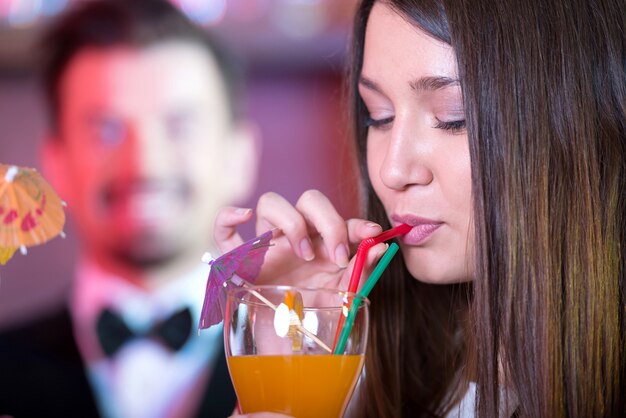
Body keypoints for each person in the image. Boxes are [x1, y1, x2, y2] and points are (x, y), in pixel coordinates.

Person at [214, 0, 626, 417]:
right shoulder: (367, 388)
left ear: (578, 119)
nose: (392, 171)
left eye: (453, 116)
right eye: (380, 116)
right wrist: (288, 368)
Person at [0, 0, 258, 417]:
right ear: (55, 163)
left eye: (180, 126)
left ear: (240, 157)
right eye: (106, 130)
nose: (145, 163)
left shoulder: (305, 366)